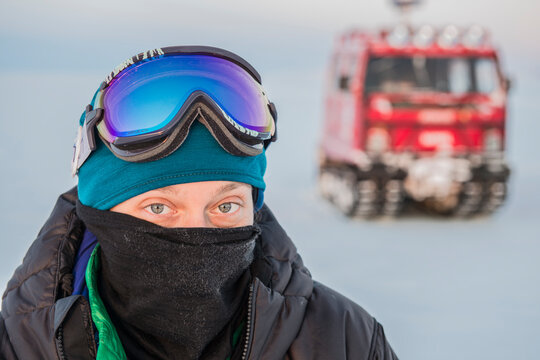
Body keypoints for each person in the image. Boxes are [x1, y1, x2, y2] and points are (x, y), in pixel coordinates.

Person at [0, 46, 398, 359]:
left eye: (226, 207)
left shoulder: (345, 339)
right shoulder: (18, 345)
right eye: (158, 207)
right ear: (97, 211)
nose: (199, 231)